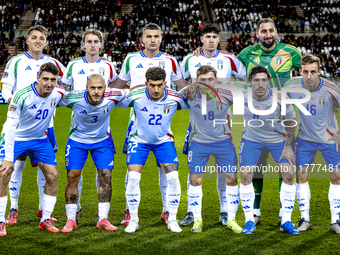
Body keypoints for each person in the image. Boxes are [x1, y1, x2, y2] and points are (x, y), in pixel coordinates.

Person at [110, 23, 186, 226]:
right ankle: (129, 211)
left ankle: (167, 210)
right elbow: (118, 84)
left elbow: (182, 87)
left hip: (162, 120)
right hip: (137, 119)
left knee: (165, 168)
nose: (152, 40)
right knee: (132, 169)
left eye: (156, 36)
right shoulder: (131, 59)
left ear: (161, 38)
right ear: (142, 39)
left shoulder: (170, 60)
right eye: (149, 36)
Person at [236, 18, 302, 224]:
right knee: (257, 166)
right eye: (263, 31)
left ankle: (285, 211)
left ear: (276, 32)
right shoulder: (246, 54)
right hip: (256, 118)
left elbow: (307, 72)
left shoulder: (291, 53)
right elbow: (227, 69)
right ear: (257, 34)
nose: (267, 34)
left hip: (283, 117)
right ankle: (255, 212)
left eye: (271, 30)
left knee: (286, 166)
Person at [180, 24, 246, 227]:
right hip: (197, 122)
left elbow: (246, 78)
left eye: (214, 36)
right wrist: (188, 89)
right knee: (194, 172)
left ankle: (225, 212)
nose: (210, 40)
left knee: (223, 170)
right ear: (201, 39)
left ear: (219, 39)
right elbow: (179, 80)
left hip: (221, 121)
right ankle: (192, 212)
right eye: (207, 36)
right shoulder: (190, 59)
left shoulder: (229, 59)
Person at [0, 25, 65, 225]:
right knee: (15, 166)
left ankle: (42, 210)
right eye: (34, 37)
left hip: (46, 125)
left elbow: (64, 85)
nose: (38, 41)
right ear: (27, 40)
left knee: (46, 170)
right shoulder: (16, 61)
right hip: (20, 122)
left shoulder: (53, 63)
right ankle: (13, 208)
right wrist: (15, 103)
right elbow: (6, 89)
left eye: (42, 38)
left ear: (46, 42)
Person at [120, 67, 188, 233]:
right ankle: (133, 220)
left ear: (165, 83)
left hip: (164, 142)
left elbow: (195, 103)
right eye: (152, 85)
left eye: (160, 85)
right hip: (139, 141)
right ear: (146, 84)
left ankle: (172, 219)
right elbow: (112, 101)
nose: (156, 89)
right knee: (134, 178)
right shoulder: (135, 96)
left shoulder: (175, 98)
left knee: (173, 177)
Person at [58, 74, 129, 233]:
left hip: (102, 141)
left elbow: (131, 91)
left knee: (105, 176)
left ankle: (103, 218)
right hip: (77, 141)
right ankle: (71, 219)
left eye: (100, 88)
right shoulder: (74, 98)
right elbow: (54, 96)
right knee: (72, 177)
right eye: (92, 88)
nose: (96, 92)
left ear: (105, 88)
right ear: (86, 88)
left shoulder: (113, 95)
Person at [62, 29, 118, 223]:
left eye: (96, 41)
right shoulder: (73, 65)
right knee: (74, 174)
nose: (92, 45)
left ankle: (102, 216)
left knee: (103, 174)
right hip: (78, 127)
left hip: (103, 130)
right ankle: (74, 211)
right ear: (83, 44)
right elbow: (62, 88)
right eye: (89, 41)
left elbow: (118, 90)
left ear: (101, 44)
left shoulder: (109, 66)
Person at [238, 65, 298, 234]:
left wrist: (287, 147)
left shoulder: (280, 98)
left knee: (288, 174)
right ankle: (249, 220)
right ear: (250, 82)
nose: (260, 84)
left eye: (264, 80)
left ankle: (286, 220)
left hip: (277, 140)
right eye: (256, 80)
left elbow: (292, 122)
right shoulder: (241, 95)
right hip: (251, 139)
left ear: (268, 81)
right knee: (245, 175)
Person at [284, 54, 340, 235]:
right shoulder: (292, 85)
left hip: (329, 140)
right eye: (305, 72)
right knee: (301, 176)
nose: (309, 76)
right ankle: (304, 218)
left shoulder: (332, 88)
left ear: (319, 72)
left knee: (336, 177)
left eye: (313, 72)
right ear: (299, 71)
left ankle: (335, 220)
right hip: (305, 138)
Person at [183, 65, 242, 233]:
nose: (207, 83)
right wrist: (187, 87)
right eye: (202, 80)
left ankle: (230, 218)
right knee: (195, 180)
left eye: (210, 79)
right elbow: (168, 96)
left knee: (231, 179)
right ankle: (197, 219)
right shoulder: (189, 95)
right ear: (197, 81)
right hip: (198, 143)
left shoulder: (227, 94)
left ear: (216, 80)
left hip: (223, 142)